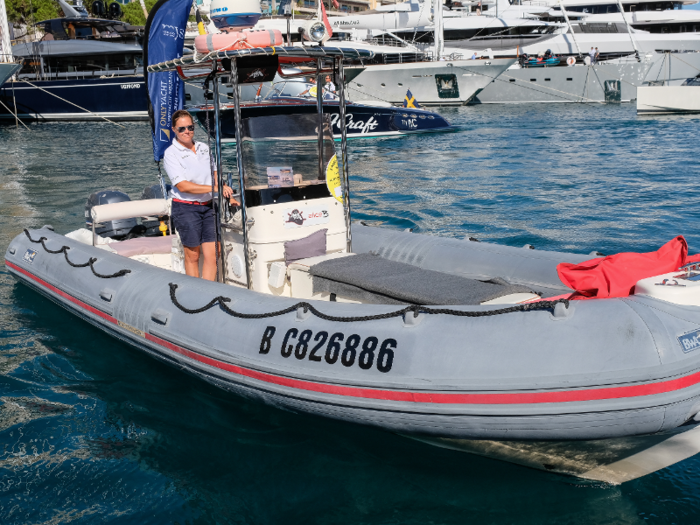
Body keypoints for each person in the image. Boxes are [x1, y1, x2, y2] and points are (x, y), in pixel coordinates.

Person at [163, 109, 235, 281]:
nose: (187, 131)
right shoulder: (171, 153)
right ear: (174, 129)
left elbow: (215, 173)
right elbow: (183, 186)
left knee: (214, 252)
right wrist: (214, 189)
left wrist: (226, 191)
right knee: (193, 255)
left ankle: (208, 290)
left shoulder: (203, 147)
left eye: (190, 127)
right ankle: (194, 292)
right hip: (186, 208)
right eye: (182, 129)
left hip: (209, 206)